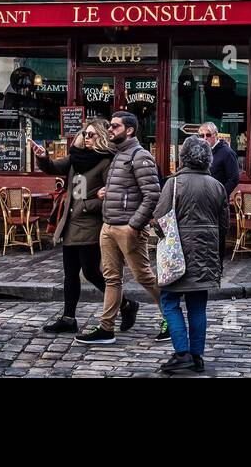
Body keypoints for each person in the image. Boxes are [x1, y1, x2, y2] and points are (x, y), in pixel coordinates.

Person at [75, 111, 163, 345]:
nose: (110, 130)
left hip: (128, 228)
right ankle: (106, 328)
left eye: (114, 126)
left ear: (130, 130)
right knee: (111, 279)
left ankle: (171, 318)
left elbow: (153, 195)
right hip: (109, 226)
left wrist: (135, 225)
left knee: (144, 276)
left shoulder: (140, 156)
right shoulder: (117, 155)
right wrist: (105, 193)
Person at [30, 118, 122, 334]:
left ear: (101, 136)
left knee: (91, 272)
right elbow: (53, 167)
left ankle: (126, 304)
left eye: (92, 135)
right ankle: (68, 318)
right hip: (70, 224)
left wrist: (88, 204)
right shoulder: (75, 157)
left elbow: (112, 196)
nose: (87, 138)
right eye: (85, 134)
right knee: (70, 273)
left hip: (90, 224)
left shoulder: (107, 161)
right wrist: (42, 157)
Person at [152, 135, 231, 375]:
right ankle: (197, 356)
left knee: (169, 302)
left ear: (183, 158)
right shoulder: (217, 186)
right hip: (206, 254)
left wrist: (162, 235)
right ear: (207, 158)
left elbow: (160, 219)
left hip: (179, 253)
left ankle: (182, 353)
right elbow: (224, 224)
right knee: (198, 306)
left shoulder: (174, 183)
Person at [199, 122, 240, 200]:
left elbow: (234, 178)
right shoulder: (202, 151)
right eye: (201, 135)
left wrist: (220, 194)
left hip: (218, 201)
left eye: (208, 135)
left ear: (215, 135)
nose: (204, 138)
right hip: (203, 199)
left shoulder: (227, 152)